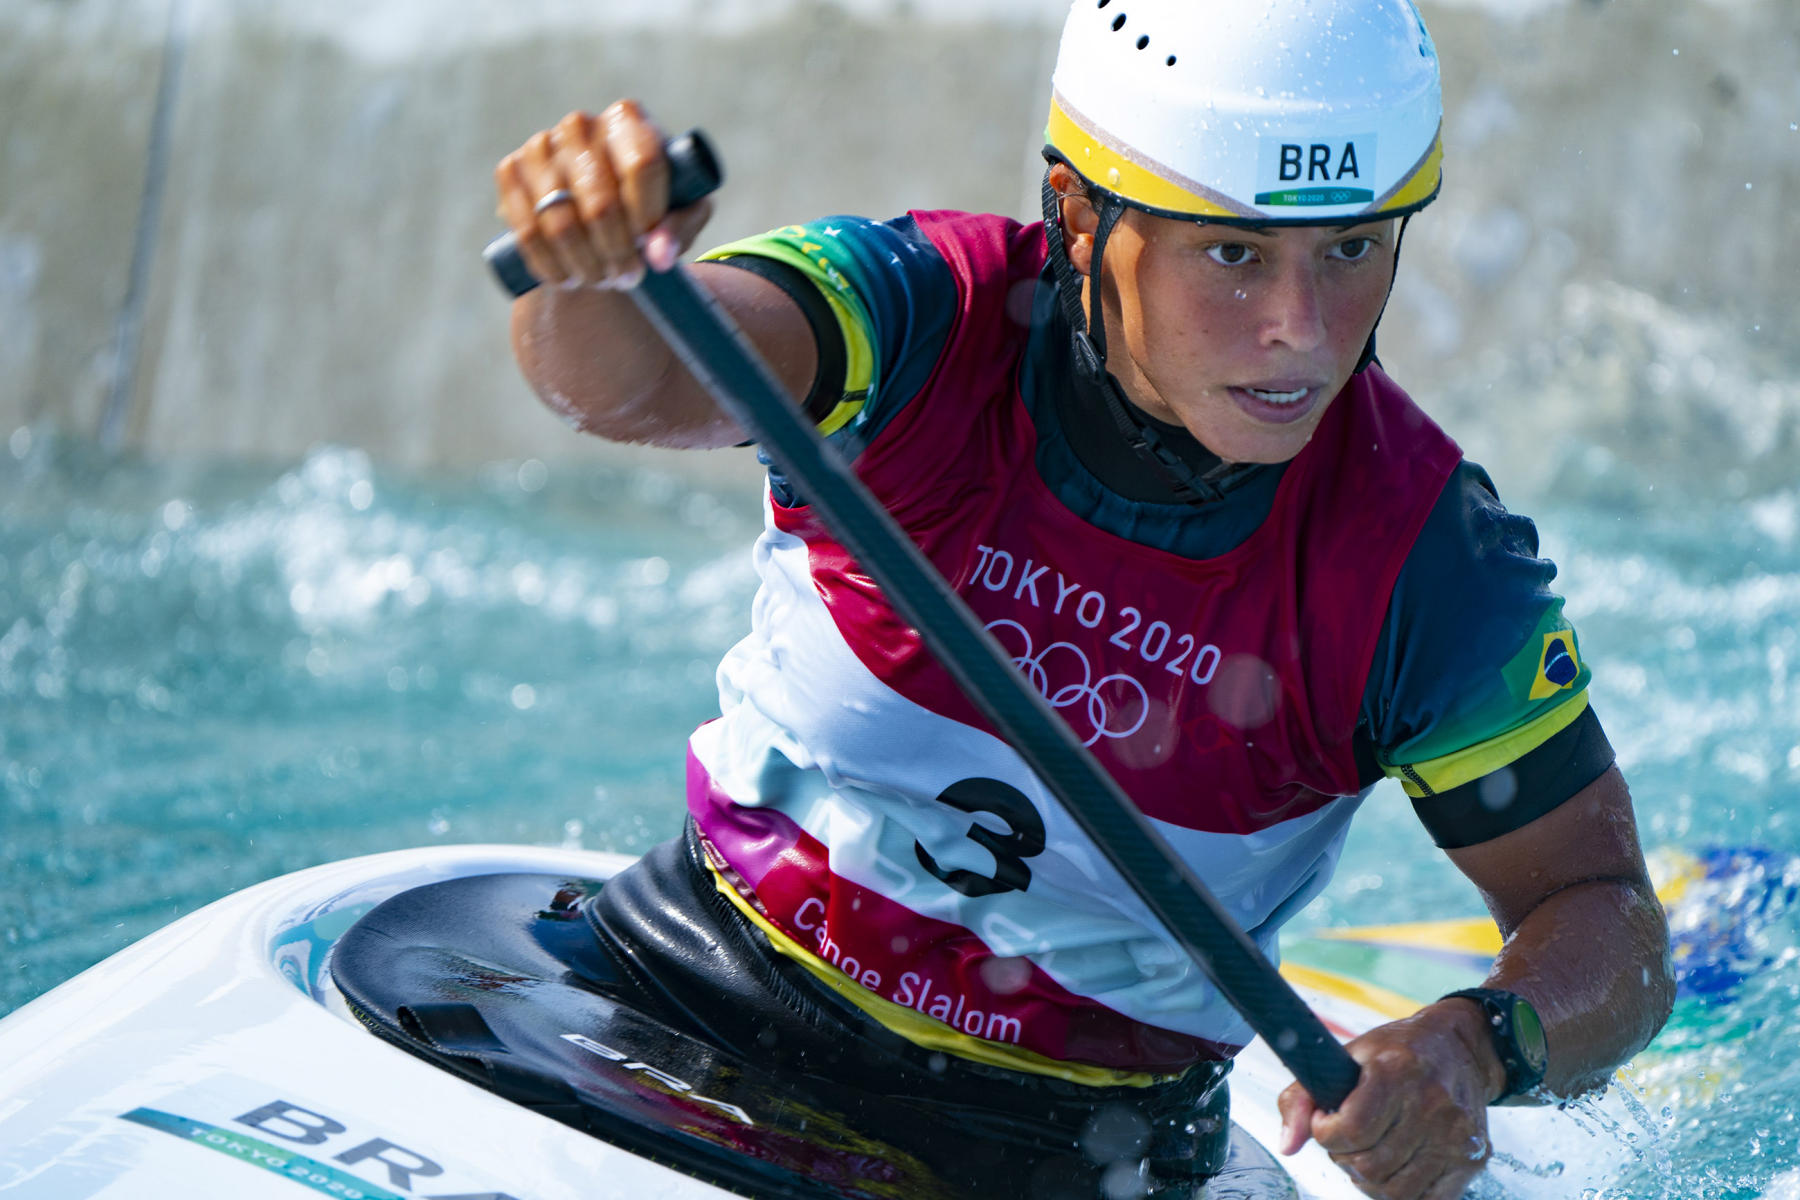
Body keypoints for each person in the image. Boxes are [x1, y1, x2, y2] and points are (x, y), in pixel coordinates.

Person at [492, 1, 1674, 1196]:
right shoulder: (917, 320)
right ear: (1076, 212)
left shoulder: (1428, 564)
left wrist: (1477, 1044)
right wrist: (584, 274)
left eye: (1353, 249)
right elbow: (629, 385)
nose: (1301, 333)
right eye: (1234, 254)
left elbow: (1602, 909)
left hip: (1075, 1155)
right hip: (683, 1000)